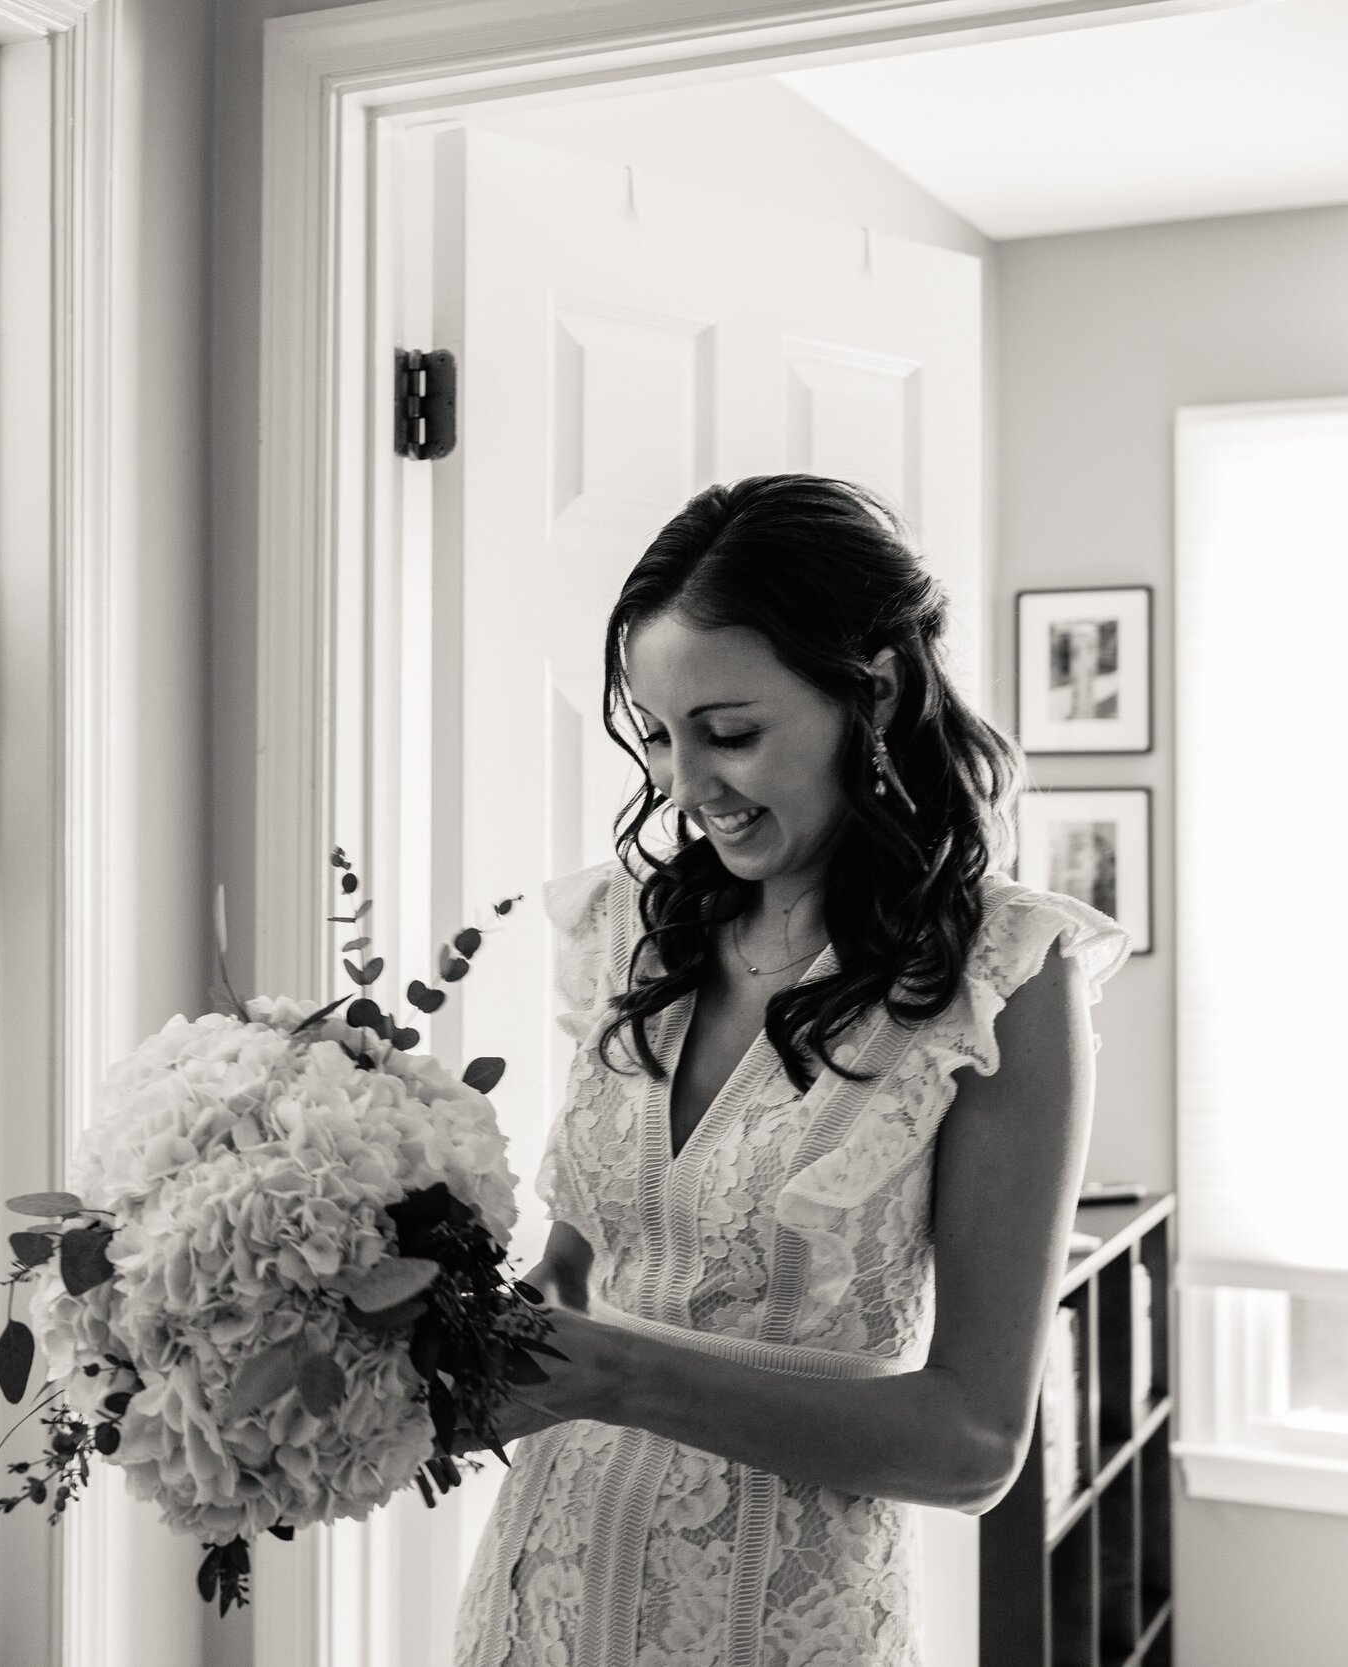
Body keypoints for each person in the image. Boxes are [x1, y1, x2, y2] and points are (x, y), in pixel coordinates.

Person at [455, 477, 1128, 1667]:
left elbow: (970, 1443)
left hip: (779, 1623)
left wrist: (615, 1370)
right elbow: (575, 1271)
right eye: (658, 734)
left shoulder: (1005, 977)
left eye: (728, 731)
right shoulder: (627, 933)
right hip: (537, 1602)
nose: (681, 784)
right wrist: (396, 1332)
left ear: (871, 690)